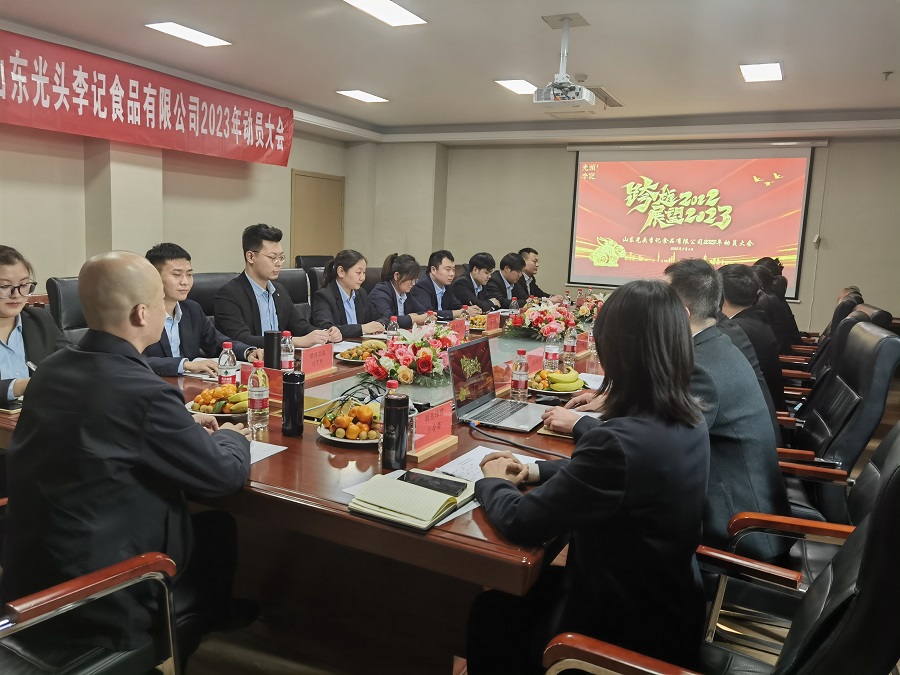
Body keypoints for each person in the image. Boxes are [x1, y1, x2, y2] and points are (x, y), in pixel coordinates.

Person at [1, 251, 252, 662]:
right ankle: (192, 629)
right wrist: (230, 438)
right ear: (141, 313)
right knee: (218, 527)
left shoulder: (51, 370)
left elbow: (105, 425)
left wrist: (180, 422)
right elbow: (225, 476)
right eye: (159, 303)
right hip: (105, 593)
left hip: (33, 573)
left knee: (210, 526)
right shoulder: (145, 392)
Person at [468, 280, 710, 673]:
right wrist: (532, 470)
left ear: (617, 351)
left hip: (616, 630)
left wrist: (493, 480)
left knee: (493, 612)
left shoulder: (616, 443)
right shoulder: (689, 416)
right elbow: (622, 476)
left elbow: (522, 521)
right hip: (669, 610)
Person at [552, 258, 791, 563]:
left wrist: (579, 424)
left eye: (659, 300)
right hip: (729, 501)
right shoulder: (715, 344)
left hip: (732, 527)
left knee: (594, 518)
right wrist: (615, 399)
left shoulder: (700, 369)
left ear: (680, 314)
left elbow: (653, 449)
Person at [143, 243, 262, 376]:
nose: (185, 282)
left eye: (189, 274)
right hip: (152, 384)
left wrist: (248, 352)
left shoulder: (191, 309)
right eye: (177, 275)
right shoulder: (140, 314)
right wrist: (184, 365)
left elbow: (217, 342)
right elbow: (134, 360)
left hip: (191, 384)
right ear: (154, 276)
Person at [214, 224, 336, 349]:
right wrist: (292, 342)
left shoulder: (279, 291)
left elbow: (301, 326)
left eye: (281, 257)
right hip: (251, 359)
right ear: (250, 257)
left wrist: (325, 333)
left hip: (282, 358)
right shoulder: (229, 295)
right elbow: (241, 339)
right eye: (272, 257)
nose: (278, 264)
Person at [0, 245, 63, 406]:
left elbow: (72, 361)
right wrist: (18, 387)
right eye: (4, 287)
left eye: (23, 285)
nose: (16, 295)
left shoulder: (39, 320)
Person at [720, 264, 788, 412]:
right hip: (765, 409)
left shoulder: (734, 331)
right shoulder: (756, 318)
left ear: (719, 297)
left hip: (755, 414)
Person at [311, 249, 385, 338]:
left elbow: (380, 317)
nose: (362, 278)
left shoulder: (361, 293)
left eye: (364, 272)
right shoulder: (324, 296)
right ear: (341, 271)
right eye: (358, 273)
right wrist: (362, 329)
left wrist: (379, 326)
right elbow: (327, 329)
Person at [368, 253, 429, 329]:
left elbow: (423, 311)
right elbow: (387, 320)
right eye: (410, 279)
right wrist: (412, 319)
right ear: (396, 276)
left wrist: (424, 316)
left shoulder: (405, 293)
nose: (413, 283)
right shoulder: (380, 292)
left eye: (415, 279)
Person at [408, 249, 472, 320]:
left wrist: (468, 309)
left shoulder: (447, 285)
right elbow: (427, 313)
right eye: (448, 269)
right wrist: (458, 313)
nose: (452, 274)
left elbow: (456, 305)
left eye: (453, 269)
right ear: (433, 270)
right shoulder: (421, 286)